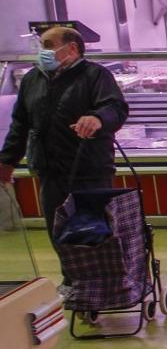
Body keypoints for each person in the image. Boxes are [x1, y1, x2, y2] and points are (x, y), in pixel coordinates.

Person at [0, 27, 129, 273]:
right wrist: (7, 161)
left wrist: (98, 119)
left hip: (89, 170)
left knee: (94, 230)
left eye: (48, 45)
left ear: (72, 48)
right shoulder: (32, 80)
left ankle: (105, 283)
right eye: (41, 46)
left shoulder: (95, 75)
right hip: (50, 171)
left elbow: (116, 108)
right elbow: (20, 125)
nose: (43, 51)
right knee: (59, 231)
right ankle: (73, 282)